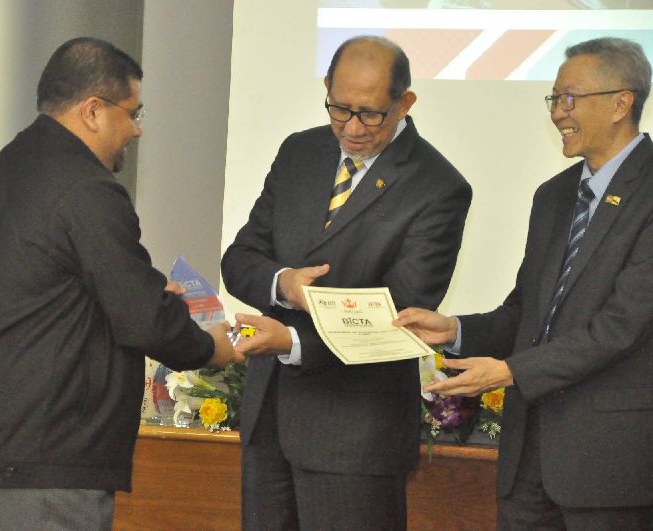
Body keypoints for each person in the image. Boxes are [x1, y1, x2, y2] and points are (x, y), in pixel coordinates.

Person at [0, 37, 240, 530]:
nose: (137, 129)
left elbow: (52, 296)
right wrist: (211, 347)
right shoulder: (86, 187)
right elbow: (141, 319)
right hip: (33, 467)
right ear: (93, 110)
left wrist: (144, 296)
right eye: (133, 112)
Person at [394, 37, 653, 530]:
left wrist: (509, 371)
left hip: (612, 468)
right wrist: (454, 329)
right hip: (528, 463)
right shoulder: (553, 196)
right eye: (554, 98)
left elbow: (621, 328)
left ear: (622, 103)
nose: (557, 112)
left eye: (569, 98)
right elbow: (526, 312)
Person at [221, 36, 472, 530]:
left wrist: (292, 340)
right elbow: (241, 258)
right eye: (339, 109)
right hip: (269, 420)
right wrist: (284, 284)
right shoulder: (301, 151)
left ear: (405, 103)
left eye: (371, 114)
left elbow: (400, 314)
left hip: (356, 435)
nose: (352, 128)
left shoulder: (438, 186)